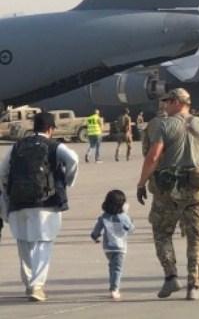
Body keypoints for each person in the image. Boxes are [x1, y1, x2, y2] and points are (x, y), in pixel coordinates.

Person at [136, 88, 199, 301]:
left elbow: (153, 157)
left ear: (177, 102)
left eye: (168, 101)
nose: (165, 105)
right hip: (196, 191)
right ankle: (194, 286)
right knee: (195, 238)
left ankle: (170, 276)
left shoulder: (164, 125)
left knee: (162, 233)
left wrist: (141, 183)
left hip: (166, 191)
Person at [0, 112, 79, 302]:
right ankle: (37, 285)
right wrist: (67, 180)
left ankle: (29, 284)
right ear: (50, 129)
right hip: (46, 203)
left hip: (18, 203)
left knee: (24, 244)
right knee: (43, 244)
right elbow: (74, 159)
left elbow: (2, 172)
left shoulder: (16, 147)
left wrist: (8, 194)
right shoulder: (54, 146)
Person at [91, 189, 135, 300]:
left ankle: (113, 285)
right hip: (120, 248)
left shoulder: (104, 216)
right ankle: (114, 289)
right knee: (117, 268)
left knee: (112, 266)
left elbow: (97, 230)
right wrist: (129, 218)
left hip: (107, 248)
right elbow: (130, 229)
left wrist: (95, 237)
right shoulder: (123, 217)